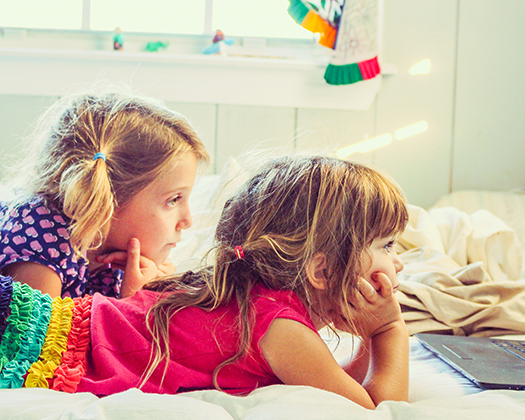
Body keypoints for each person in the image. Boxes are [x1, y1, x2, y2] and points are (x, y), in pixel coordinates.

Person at [0, 155, 409, 408]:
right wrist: (390, 331)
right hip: (32, 341)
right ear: (320, 271)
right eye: (388, 245)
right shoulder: (281, 327)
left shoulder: (256, 302)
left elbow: (335, 386)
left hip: (40, 322)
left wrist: (368, 336)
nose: (400, 264)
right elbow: (374, 408)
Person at [0, 92, 211, 299]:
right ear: (105, 199)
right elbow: (32, 334)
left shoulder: (119, 259)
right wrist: (131, 307)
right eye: (173, 200)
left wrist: (149, 297)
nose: (187, 221)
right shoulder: (41, 237)